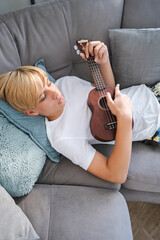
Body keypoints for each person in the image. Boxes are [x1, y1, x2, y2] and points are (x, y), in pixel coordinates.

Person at [0, 41, 160, 184]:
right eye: (43, 97)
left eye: (48, 83)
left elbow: (106, 96)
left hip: (151, 91)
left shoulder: (65, 83)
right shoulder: (61, 137)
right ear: (31, 112)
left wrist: (104, 63)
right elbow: (116, 175)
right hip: (155, 124)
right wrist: (124, 117)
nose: (55, 93)